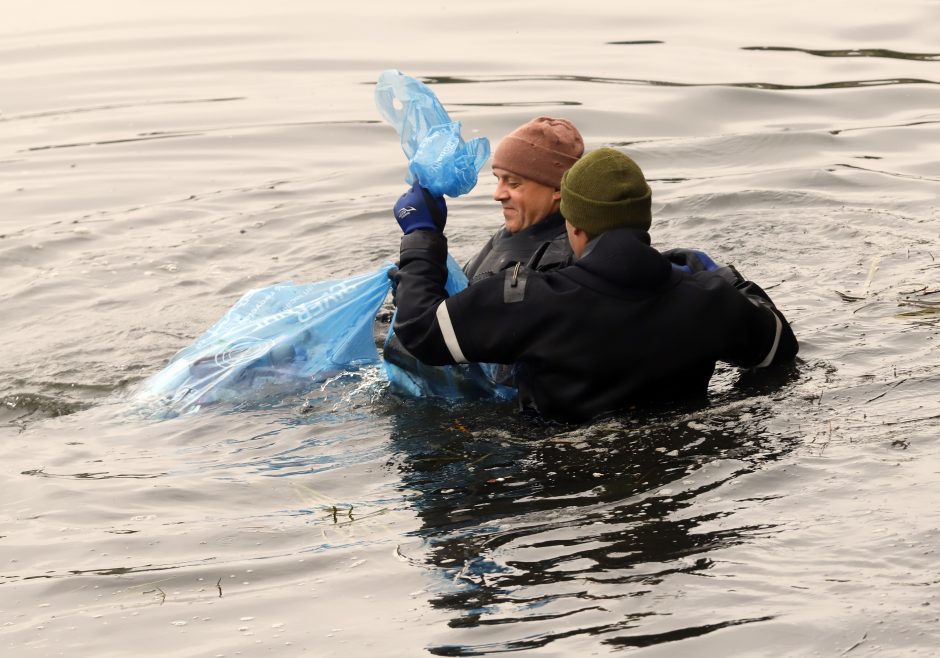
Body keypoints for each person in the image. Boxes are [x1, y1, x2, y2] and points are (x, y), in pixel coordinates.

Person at [389, 147, 799, 423]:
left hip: (556, 478)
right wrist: (727, 280)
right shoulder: (709, 301)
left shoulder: (527, 301)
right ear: (645, 219)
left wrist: (421, 237)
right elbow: (780, 350)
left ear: (574, 224)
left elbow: (420, 332)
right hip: (678, 462)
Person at [461, 116, 584, 283]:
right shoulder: (513, 232)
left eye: (513, 183)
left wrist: (421, 243)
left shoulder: (559, 266)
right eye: (498, 179)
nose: (497, 195)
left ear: (557, 188)